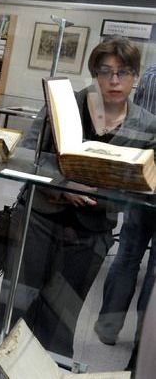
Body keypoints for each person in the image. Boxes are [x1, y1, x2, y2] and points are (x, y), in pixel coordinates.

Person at [0, 36, 156, 359]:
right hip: (38, 222)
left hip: (90, 236)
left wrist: (107, 192)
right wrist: (64, 185)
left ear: (135, 76)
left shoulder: (147, 125)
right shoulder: (66, 104)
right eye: (105, 71)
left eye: (123, 72)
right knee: (16, 310)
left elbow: (145, 182)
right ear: (94, 72)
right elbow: (27, 153)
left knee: (61, 320)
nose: (114, 81)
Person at [94, 64, 156, 369]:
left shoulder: (150, 74)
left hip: (140, 179)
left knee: (128, 253)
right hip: (146, 178)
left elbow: (137, 123)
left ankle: (107, 328)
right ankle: (144, 343)